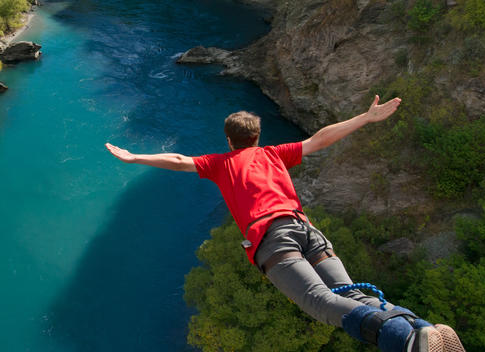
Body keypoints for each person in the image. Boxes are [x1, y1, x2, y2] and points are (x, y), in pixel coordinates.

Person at [105, 96, 465, 352]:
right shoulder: (274, 154)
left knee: (318, 302)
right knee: (351, 294)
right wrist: (364, 118)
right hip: (307, 231)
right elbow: (319, 139)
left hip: (274, 238)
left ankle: (404, 340)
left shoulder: (221, 163)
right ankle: (421, 328)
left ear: (229, 140)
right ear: (257, 138)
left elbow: (180, 159)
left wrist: (135, 156)